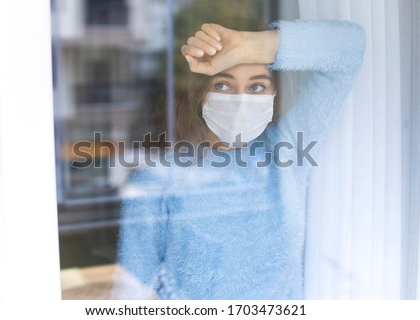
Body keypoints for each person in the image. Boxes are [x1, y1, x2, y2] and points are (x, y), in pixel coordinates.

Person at [112, 20, 366, 300]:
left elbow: (348, 49)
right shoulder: (157, 176)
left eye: (257, 87)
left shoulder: (287, 151)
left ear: (274, 94)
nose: (241, 101)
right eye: (223, 84)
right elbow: (131, 290)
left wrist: (248, 46)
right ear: (199, 93)